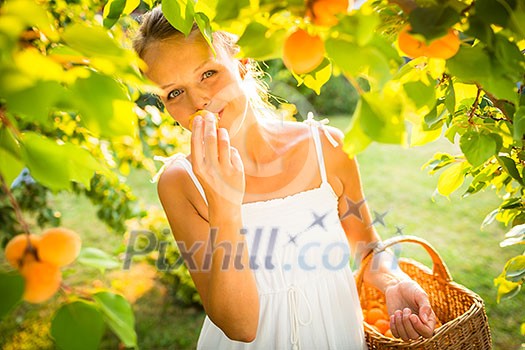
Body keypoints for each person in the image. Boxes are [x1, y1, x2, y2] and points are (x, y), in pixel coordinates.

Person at [133, 6, 437, 349]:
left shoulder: (327, 148)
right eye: (174, 92)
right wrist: (225, 203)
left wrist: (393, 280)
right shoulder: (179, 183)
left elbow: (367, 247)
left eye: (208, 73)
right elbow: (240, 326)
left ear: (243, 63)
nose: (199, 101)